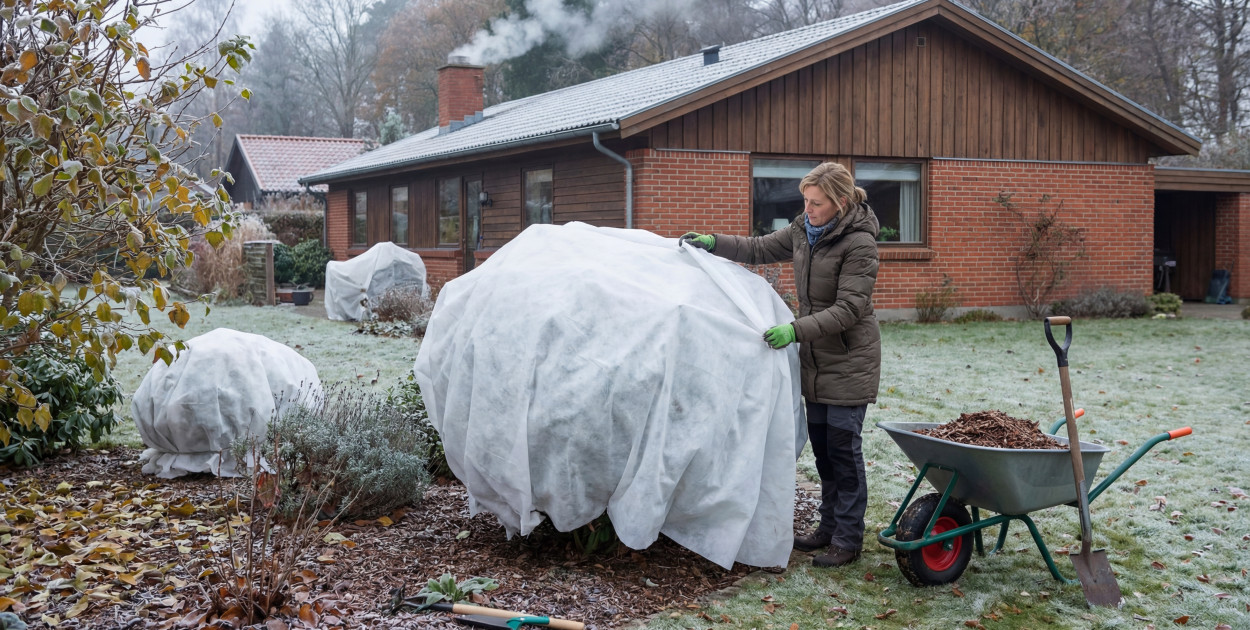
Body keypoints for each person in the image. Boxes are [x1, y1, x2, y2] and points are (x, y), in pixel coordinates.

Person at [680, 162, 882, 568]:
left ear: (840, 202)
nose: (808, 209)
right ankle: (828, 527)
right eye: (805, 201)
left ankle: (848, 538)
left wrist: (794, 330)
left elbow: (849, 309)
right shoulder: (803, 232)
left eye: (817, 203)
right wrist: (712, 242)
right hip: (816, 358)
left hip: (847, 357)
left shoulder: (859, 243)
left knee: (844, 451)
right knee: (824, 451)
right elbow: (758, 248)